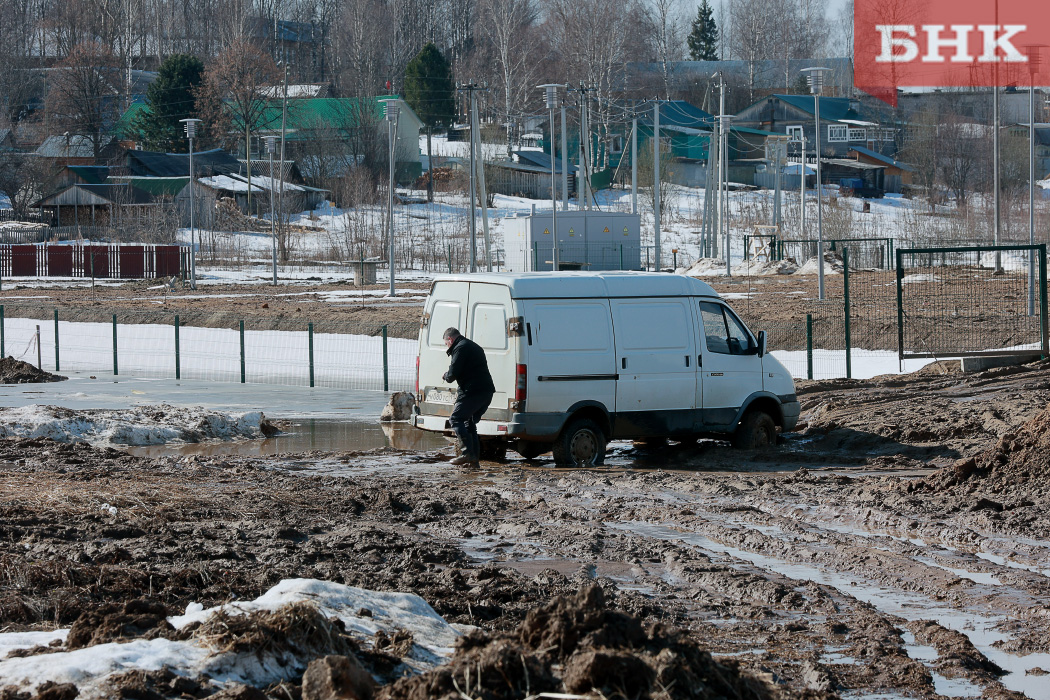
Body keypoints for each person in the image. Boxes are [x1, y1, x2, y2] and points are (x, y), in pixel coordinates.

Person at [442, 327, 495, 466]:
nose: (447, 347)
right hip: (486, 391)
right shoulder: (472, 346)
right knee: (469, 422)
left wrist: (446, 375)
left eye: (446, 344)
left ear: (450, 339)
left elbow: (452, 374)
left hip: (473, 391)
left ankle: (466, 454)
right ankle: (474, 461)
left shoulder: (460, 348)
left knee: (456, 419)